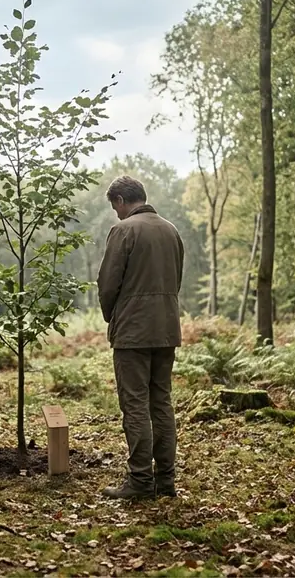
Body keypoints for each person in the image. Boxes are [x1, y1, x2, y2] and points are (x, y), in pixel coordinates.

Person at [97, 175, 184, 499]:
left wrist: (112, 315)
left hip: (133, 332)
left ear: (120, 201)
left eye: (114, 206)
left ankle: (140, 482)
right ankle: (166, 481)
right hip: (166, 328)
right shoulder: (171, 230)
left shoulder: (123, 231)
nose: (115, 213)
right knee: (161, 403)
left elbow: (108, 284)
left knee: (135, 405)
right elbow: (176, 278)